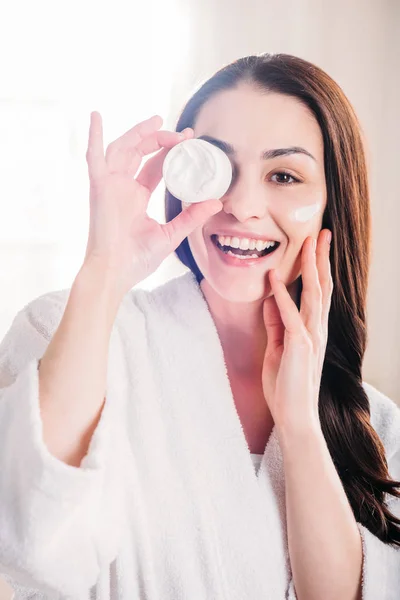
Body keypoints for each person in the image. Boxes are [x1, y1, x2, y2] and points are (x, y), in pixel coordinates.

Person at [0, 52, 399, 600]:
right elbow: (33, 548)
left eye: (284, 175)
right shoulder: (66, 331)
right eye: (219, 167)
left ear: (333, 206)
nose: (242, 204)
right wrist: (103, 272)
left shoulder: (378, 429)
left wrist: (301, 424)